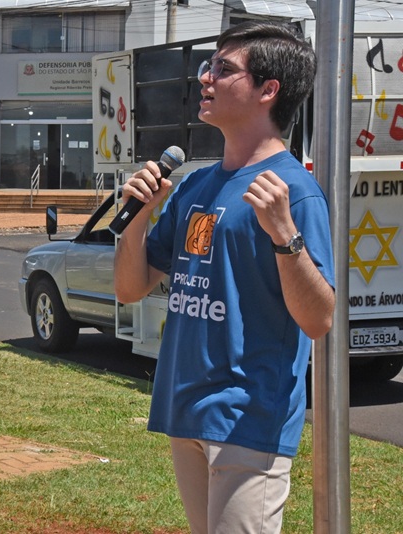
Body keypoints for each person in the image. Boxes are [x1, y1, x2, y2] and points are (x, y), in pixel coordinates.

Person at [113, 21, 335, 534]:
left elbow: (319, 318)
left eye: (223, 69)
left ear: (267, 90)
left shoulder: (293, 192)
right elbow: (130, 288)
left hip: (248, 416)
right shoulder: (195, 184)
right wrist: (138, 217)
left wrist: (284, 233)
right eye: (207, 67)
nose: (206, 79)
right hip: (185, 406)